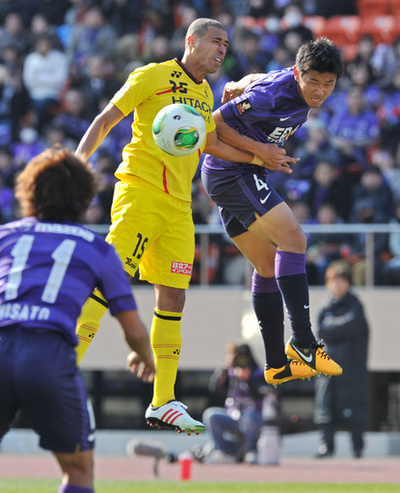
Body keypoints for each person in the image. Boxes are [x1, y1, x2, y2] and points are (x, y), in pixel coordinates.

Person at [74, 18, 262, 435]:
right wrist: (75, 167)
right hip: (141, 194)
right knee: (109, 281)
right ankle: (61, 369)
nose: (222, 51)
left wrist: (258, 157)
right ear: (191, 40)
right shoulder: (151, 75)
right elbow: (107, 118)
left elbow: (210, 142)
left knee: (174, 297)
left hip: (179, 207)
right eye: (216, 42)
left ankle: (163, 400)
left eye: (226, 46)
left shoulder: (203, 92)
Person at [0, 147, 155, 493]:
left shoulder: (5, 236)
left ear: (28, 192)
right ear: (86, 197)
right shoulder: (97, 247)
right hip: (48, 356)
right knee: (78, 474)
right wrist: (145, 357)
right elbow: (131, 328)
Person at [201, 37, 344, 386]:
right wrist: (262, 150)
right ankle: (305, 343)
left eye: (328, 84)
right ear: (298, 73)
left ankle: (277, 363)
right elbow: (214, 122)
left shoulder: (282, 84)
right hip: (232, 172)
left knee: (266, 266)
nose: (319, 91)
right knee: (294, 238)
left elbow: (258, 79)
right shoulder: (274, 95)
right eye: (313, 82)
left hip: (240, 173)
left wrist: (238, 83)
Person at [314, 264, 369, 458]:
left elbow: (351, 325)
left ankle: (357, 447)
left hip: (351, 369)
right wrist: (336, 331)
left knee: (355, 407)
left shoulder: (355, 305)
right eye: (333, 280)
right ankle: (326, 446)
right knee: (325, 406)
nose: (337, 284)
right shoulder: (324, 308)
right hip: (328, 368)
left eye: (341, 280)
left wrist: (333, 330)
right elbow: (320, 331)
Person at [198, 342, 269, 464]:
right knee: (211, 415)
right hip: (233, 417)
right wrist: (225, 368)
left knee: (249, 416)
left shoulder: (258, 373)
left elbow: (262, 394)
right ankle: (225, 451)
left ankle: (252, 451)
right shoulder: (231, 374)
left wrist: (249, 379)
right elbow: (215, 389)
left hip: (254, 420)